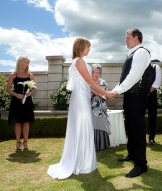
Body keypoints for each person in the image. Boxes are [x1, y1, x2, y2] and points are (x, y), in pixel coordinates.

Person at [47, 37, 115, 179]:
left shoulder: (79, 61)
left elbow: (88, 83)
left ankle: (84, 160)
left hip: (82, 98)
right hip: (81, 101)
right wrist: (106, 93)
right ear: (81, 47)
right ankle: (81, 162)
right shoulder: (78, 61)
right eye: (88, 47)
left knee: (83, 128)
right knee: (83, 128)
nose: (89, 49)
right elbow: (90, 81)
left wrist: (102, 94)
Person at [111, 28, 151, 178]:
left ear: (136, 38)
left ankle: (141, 165)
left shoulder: (141, 52)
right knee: (130, 127)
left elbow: (133, 77)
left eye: (127, 37)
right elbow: (125, 79)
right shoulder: (132, 53)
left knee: (137, 129)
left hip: (137, 96)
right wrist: (114, 90)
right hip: (130, 95)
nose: (125, 39)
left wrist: (116, 91)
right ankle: (132, 155)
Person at [6, 56, 37, 152]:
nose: (26, 64)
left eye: (27, 63)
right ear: (19, 63)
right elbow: (7, 89)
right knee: (18, 122)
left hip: (27, 101)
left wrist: (30, 93)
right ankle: (18, 143)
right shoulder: (13, 75)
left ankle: (26, 143)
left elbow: (34, 88)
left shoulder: (30, 75)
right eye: (24, 62)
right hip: (16, 101)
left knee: (26, 122)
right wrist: (16, 94)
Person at [91, 63, 111, 151]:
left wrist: (105, 96)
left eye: (98, 72)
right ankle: (92, 146)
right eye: (95, 72)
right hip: (91, 107)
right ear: (91, 72)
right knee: (92, 126)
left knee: (102, 125)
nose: (96, 74)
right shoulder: (88, 81)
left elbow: (107, 95)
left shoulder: (103, 82)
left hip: (102, 108)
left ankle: (102, 145)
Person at [147, 63, 161, 145]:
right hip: (141, 96)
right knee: (139, 117)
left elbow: (157, 82)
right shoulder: (139, 66)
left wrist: (147, 92)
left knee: (152, 117)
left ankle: (151, 138)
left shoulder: (156, 67)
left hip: (152, 95)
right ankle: (140, 138)